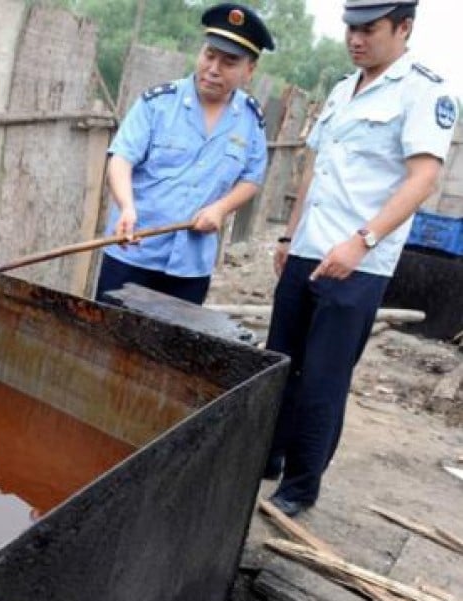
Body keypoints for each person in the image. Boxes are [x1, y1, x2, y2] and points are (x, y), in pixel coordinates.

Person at [264, 0, 457, 517]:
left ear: (404, 27)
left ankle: (300, 487)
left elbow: (423, 179)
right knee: (280, 362)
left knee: (324, 378)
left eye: (369, 29)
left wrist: (363, 240)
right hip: (309, 249)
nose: (356, 39)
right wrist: (288, 237)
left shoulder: (424, 89)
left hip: (358, 261)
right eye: (351, 28)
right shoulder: (341, 89)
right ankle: (268, 458)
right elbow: (315, 168)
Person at [95, 3, 274, 306]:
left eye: (229, 62)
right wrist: (126, 206)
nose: (213, 69)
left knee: (175, 351)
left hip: (191, 266)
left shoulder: (250, 121)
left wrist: (220, 209)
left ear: (250, 69)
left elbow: (252, 178)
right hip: (134, 252)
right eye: (209, 55)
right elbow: (121, 158)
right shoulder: (157, 105)